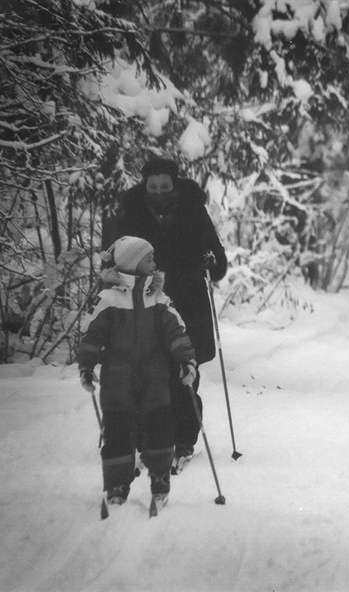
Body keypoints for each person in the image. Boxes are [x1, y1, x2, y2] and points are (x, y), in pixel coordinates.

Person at [103, 157, 227, 471]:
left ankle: (184, 440)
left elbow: (218, 258)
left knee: (183, 374)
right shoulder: (130, 212)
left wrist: (211, 261)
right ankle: (148, 439)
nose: (158, 192)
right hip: (145, 304)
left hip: (188, 304)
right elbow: (111, 255)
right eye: (153, 187)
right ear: (145, 185)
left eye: (165, 186)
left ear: (175, 183)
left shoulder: (193, 209)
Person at [78, 236, 198, 507]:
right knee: (118, 431)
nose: (154, 263)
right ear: (132, 263)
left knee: (159, 427)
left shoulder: (157, 297)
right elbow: (91, 335)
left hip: (154, 377)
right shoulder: (108, 299)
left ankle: (160, 477)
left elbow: (176, 332)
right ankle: (117, 485)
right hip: (116, 380)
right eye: (149, 259)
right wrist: (86, 366)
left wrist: (185, 361)